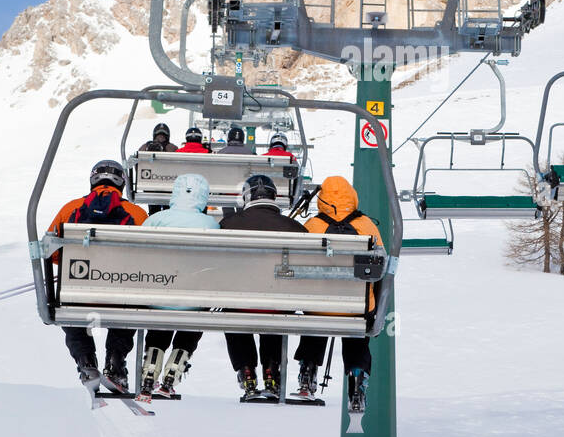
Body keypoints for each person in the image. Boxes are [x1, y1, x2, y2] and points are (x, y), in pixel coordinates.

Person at [47, 160, 147, 387]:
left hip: (78, 291)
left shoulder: (70, 209)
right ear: (121, 182)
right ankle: (116, 361)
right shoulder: (136, 213)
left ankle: (86, 361)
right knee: (130, 303)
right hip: (120, 292)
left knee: (70, 305)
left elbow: (51, 252)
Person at [220, 174, 317, 401]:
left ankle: (246, 370)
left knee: (233, 310)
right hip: (278, 306)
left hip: (240, 305)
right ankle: (271, 370)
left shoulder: (228, 225)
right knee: (277, 304)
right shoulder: (296, 228)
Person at [298, 175, 383, 412]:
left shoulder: (312, 226)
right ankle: (357, 383)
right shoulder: (367, 225)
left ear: (322, 199)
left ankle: (308, 369)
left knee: (317, 321)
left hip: (317, 306)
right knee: (357, 337)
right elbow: (381, 268)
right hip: (356, 308)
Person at [138, 173, 220, 398]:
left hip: (158, 296)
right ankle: (176, 364)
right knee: (193, 314)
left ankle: (150, 366)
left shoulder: (157, 220)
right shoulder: (211, 225)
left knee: (161, 311)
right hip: (193, 302)